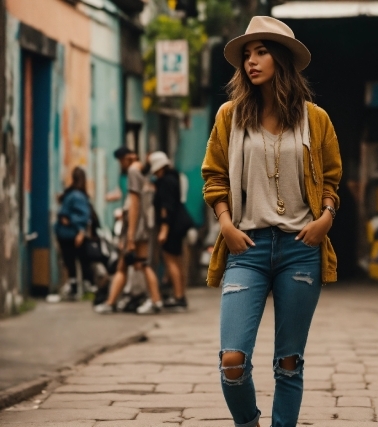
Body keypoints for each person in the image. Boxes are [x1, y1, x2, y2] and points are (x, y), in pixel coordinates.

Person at [201, 16, 342, 427]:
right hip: (247, 247)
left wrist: (326, 220)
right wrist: (226, 223)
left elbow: (331, 179)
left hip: (302, 249)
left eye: (261, 52)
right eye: (247, 54)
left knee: (289, 363)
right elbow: (214, 175)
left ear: (281, 59)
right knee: (232, 361)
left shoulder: (316, 119)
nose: (251, 61)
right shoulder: (230, 116)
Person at [95, 150, 163, 314]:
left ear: (126, 159)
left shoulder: (133, 171)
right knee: (128, 265)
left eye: (120, 162)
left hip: (137, 229)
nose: (121, 166)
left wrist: (130, 236)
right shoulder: (142, 172)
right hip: (143, 227)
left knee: (138, 264)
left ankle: (154, 301)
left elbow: (134, 204)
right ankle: (112, 302)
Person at [149, 151, 192, 311]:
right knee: (177, 261)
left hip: (172, 226)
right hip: (179, 225)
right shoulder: (175, 178)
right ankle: (180, 295)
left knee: (170, 260)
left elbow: (166, 207)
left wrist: (164, 230)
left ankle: (179, 296)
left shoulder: (165, 182)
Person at [54, 167, 94, 299]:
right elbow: (84, 216)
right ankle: (84, 288)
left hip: (67, 234)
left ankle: (74, 289)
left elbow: (65, 216)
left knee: (70, 263)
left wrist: (69, 220)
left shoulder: (71, 194)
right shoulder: (79, 195)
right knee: (82, 262)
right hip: (74, 234)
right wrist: (81, 231)